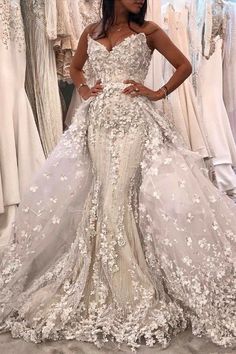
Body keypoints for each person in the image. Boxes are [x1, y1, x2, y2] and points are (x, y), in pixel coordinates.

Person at [0, 0, 235, 352]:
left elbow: (184, 66)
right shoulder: (90, 31)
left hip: (133, 122)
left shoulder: (149, 31)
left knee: (118, 195)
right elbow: (76, 68)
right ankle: (98, 273)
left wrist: (156, 92)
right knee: (101, 193)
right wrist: (83, 89)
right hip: (96, 124)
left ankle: (128, 283)